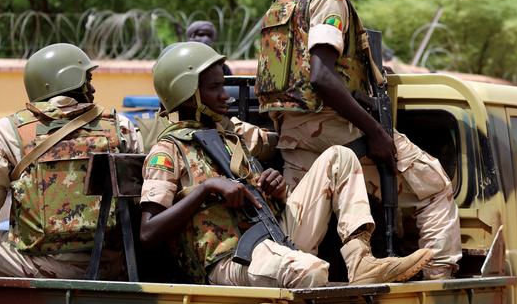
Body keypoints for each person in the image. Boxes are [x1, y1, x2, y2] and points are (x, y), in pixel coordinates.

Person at [255, 0, 461, 279]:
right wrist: (375, 131)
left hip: (293, 132)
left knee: (300, 228)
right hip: (332, 127)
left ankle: (302, 282)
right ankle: (439, 283)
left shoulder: (282, 3)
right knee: (434, 183)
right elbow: (320, 75)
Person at [139, 42, 433, 287]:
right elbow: (148, 232)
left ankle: (360, 261)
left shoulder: (229, 137)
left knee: (339, 157)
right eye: (215, 88)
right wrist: (205, 189)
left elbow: (259, 195)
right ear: (188, 92)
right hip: (229, 259)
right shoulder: (168, 151)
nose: (224, 96)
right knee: (311, 271)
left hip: (272, 237)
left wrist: (274, 189)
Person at [0, 43, 143, 279]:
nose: (93, 88)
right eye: (87, 79)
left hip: (40, 266)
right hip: (112, 265)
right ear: (69, 80)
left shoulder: (10, 131)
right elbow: (140, 208)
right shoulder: (121, 128)